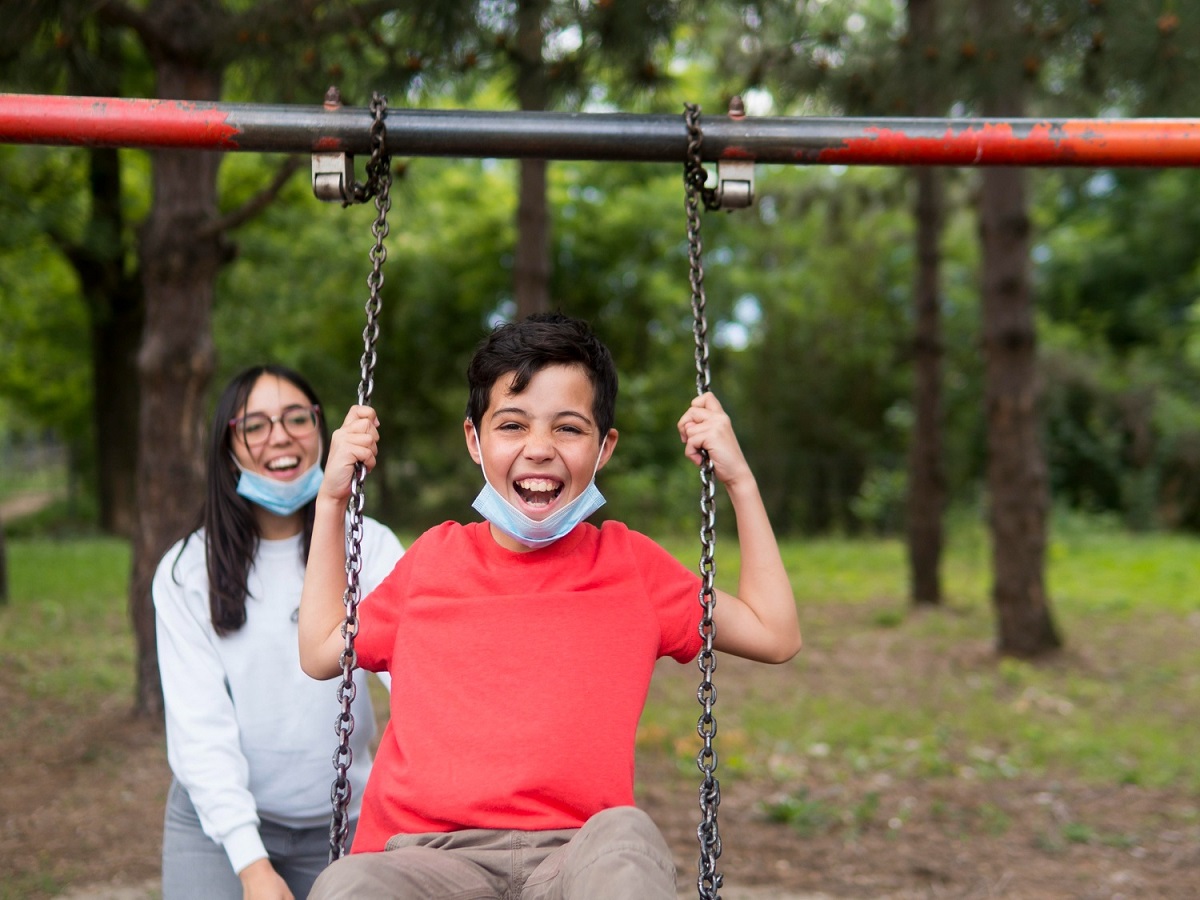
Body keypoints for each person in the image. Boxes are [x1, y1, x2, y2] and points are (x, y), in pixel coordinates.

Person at [298, 313, 801, 899]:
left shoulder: (629, 565)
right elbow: (318, 651)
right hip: (428, 860)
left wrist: (737, 478)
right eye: (512, 425)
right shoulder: (434, 560)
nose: (539, 449)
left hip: (575, 858)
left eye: (568, 428)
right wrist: (332, 501)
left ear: (603, 446)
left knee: (626, 836)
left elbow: (775, 633)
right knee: (350, 884)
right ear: (474, 440)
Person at [152, 365, 404, 900]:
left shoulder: (372, 548)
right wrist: (252, 867)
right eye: (256, 426)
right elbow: (200, 729)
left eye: (296, 418)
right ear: (228, 446)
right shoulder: (187, 570)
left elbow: (415, 679)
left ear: (323, 431)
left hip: (346, 819)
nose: (281, 436)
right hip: (219, 830)